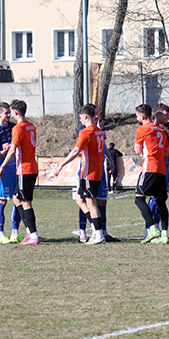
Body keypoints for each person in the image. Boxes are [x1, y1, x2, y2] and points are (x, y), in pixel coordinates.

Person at [53, 104, 107, 244]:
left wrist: (61, 165)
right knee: (79, 200)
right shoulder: (99, 131)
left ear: (85, 117)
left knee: (91, 203)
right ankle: (96, 229)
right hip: (93, 171)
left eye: (80, 118)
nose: (80, 120)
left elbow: (75, 151)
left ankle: (98, 234)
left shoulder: (86, 132)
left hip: (89, 173)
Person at [0, 99, 40, 245]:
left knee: (26, 202)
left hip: (24, 168)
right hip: (32, 167)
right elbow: (22, 145)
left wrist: (2, 165)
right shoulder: (31, 126)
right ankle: (29, 231)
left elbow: (13, 151)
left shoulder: (18, 128)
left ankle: (33, 235)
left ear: (16, 112)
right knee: (16, 198)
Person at [133, 104, 169, 244]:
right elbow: (167, 152)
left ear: (143, 116)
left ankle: (153, 228)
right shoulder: (161, 130)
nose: (137, 118)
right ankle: (165, 234)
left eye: (137, 116)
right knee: (161, 202)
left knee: (139, 199)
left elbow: (137, 150)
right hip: (161, 170)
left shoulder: (142, 129)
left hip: (149, 169)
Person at [0, 102, 22, 243]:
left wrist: (12, 146)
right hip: (2, 171)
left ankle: (15, 232)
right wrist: (6, 150)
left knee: (18, 200)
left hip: (15, 169)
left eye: (10, 112)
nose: (9, 115)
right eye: (6, 113)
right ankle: (1, 234)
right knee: (2, 201)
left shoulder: (14, 127)